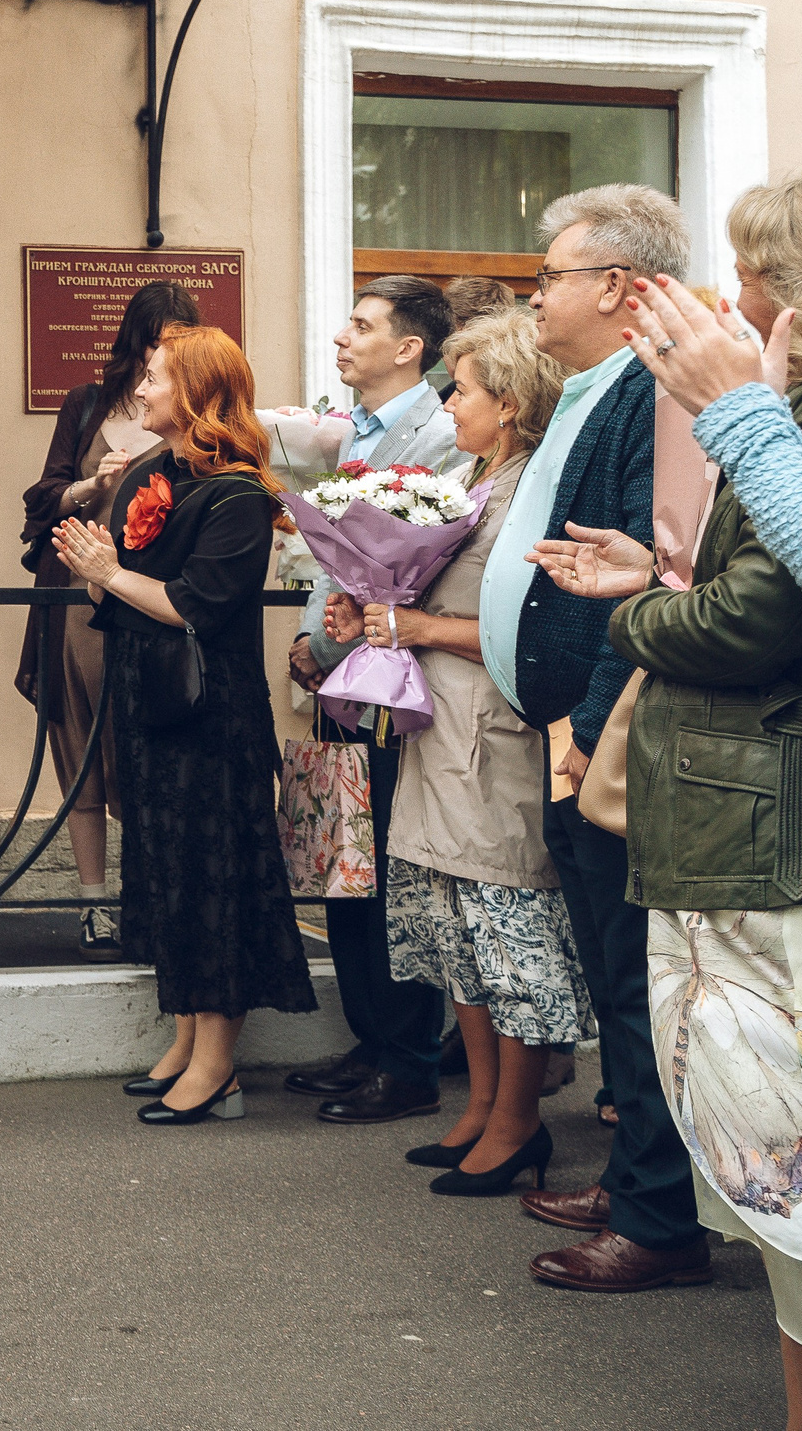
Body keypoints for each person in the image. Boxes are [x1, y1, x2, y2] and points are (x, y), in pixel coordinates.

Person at [570, 133, 802, 1428]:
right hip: (796, 831)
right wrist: (663, 578)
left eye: (750, 268)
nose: (729, 296)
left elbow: (800, 600)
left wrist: (637, 620)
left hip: (792, 844)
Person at [472, 183, 704, 1293]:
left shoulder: (647, 390)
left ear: (614, 286)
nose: (536, 293)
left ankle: (660, 1220)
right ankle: (634, 1179)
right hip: (572, 726)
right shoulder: (595, 386)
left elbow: (644, 571)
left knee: (632, 977)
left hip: (602, 738)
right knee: (618, 981)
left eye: (550, 275)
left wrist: (590, 725)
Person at [324, 311, 588, 1194]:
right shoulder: (476, 475)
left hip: (493, 736)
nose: (449, 401)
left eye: (463, 388)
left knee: (505, 931)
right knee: (454, 934)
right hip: (438, 727)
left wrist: (417, 623)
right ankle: (477, 1105)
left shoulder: (534, 490)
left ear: (508, 403)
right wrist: (368, 608)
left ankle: (518, 1122)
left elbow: (535, 628)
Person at [55, 324, 316, 1124]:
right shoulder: (149, 474)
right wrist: (96, 575)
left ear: (200, 393)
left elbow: (192, 605)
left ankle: (217, 1066)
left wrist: (112, 574)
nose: (141, 390)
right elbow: (129, 594)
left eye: (158, 378)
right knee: (168, 874)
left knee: (213, 881)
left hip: (211, 720)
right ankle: (183, 1037)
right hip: (152, 710)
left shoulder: (240, 495)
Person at [284, 276, 459, 1126]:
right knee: (344, 863)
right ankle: (369, 1035)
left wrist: (334, 642)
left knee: (392, 866)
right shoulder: (345, 429)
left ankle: (410, 1056)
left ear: (408, 348)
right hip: (336, 674)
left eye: (360, 326)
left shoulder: (444, 435)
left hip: (391, 678)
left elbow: (416, 560)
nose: (340, 339)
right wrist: (314, 641)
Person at [16, 280, 202, 960]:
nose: (168, 356)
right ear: (137, 342)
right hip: (77, 596)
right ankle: (94, 903)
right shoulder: (87, 404)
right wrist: (94, 486)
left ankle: (147, 895)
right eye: (159, 342)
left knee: (141, 741)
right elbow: (42, 495)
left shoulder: (194, 415)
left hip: (146, 595)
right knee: (83, 744)